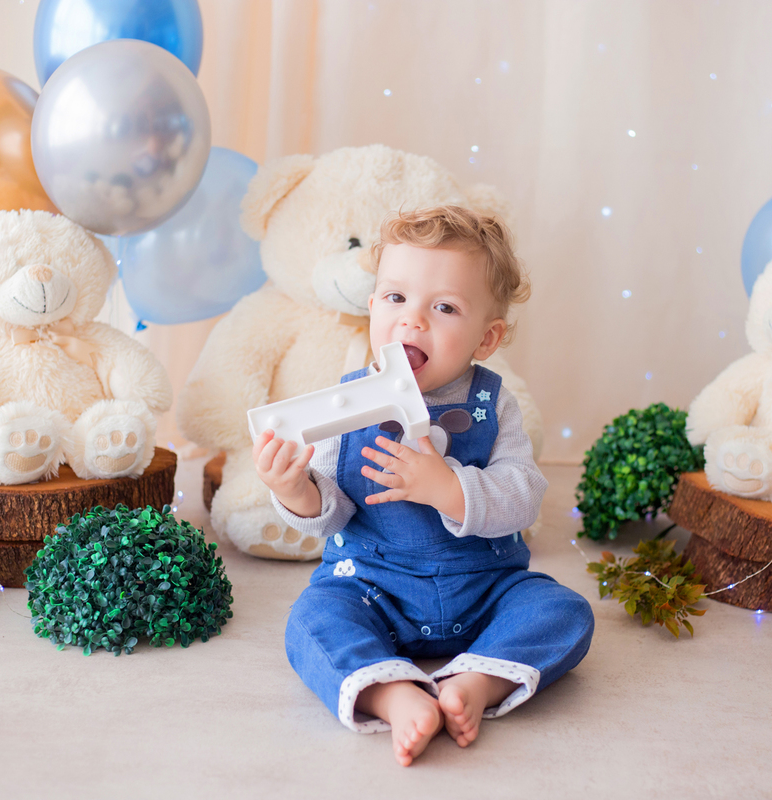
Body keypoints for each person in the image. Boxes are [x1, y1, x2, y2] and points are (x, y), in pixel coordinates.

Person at [252, 205, 594, 766]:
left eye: (444, 307)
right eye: (396, 298)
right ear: (371, 308)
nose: (412, 320)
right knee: (312, 621)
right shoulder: (347, 402)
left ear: (487, 337)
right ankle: (393, 694)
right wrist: (295, 491)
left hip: (485, 588)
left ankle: (475, 683)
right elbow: (332, 511)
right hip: (371, 586)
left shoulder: (492, 404)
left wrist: (448, 488)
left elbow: (524, 495)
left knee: (564, 611)